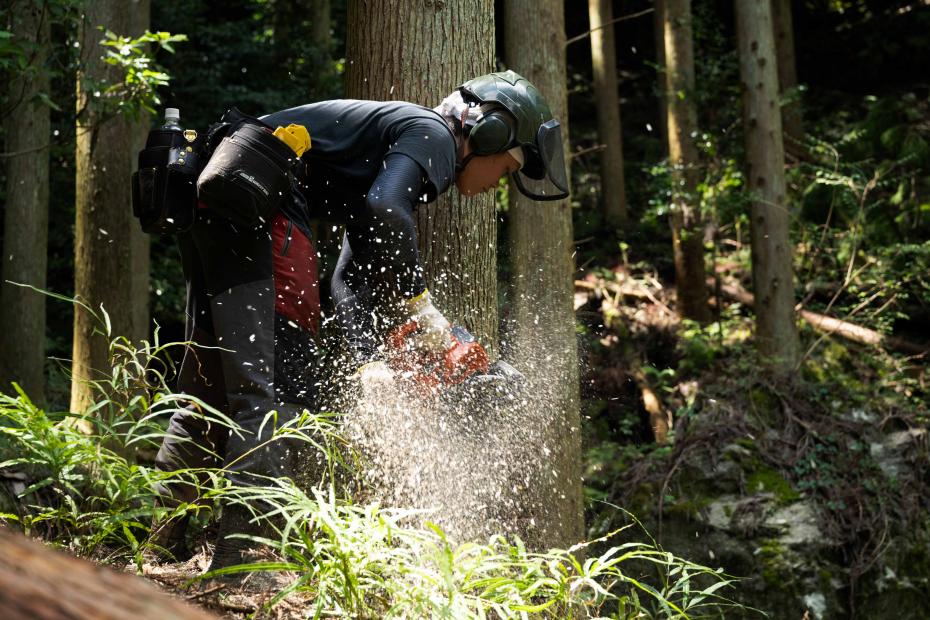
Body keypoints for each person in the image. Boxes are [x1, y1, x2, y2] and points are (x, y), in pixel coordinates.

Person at [151, 70, 569, 572]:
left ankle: (158, 545)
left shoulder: (393, 154)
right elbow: (385, 209)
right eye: (503, 171)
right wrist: (420, 304)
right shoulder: (433, 135)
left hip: (225, 197)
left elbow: (348, 280)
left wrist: (371, 362)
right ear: (489, 134)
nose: (493, 186)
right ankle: (244, 560)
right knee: (281, 392)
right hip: (259, 204)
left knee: (210, 388)